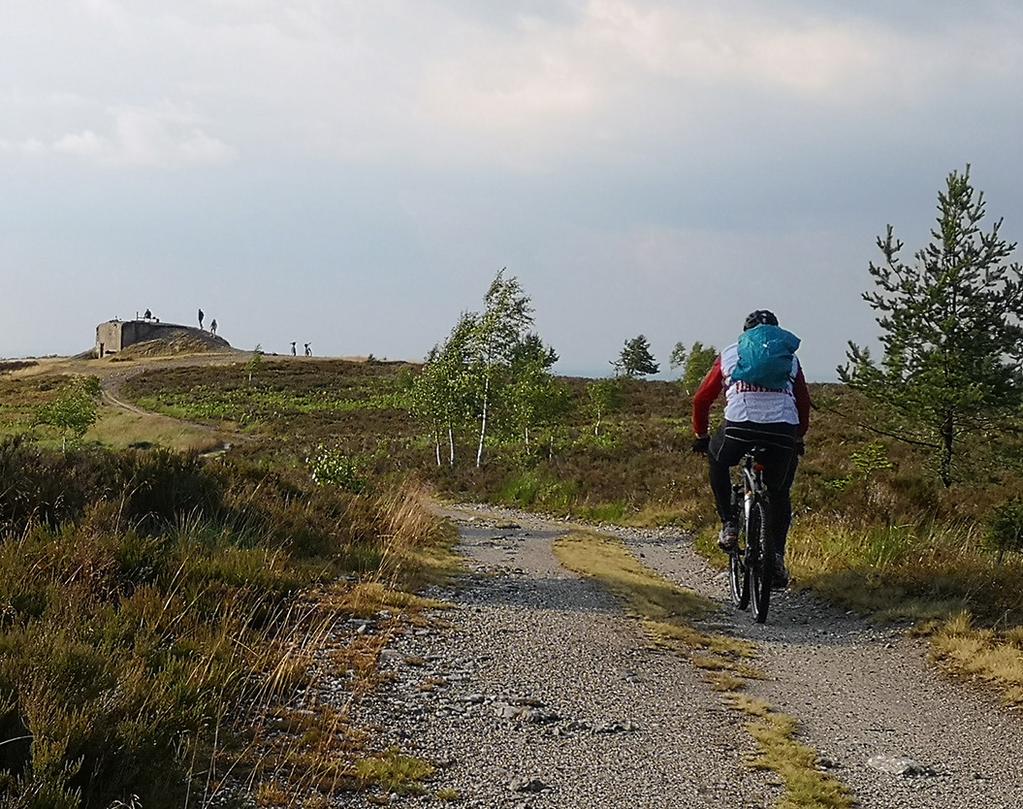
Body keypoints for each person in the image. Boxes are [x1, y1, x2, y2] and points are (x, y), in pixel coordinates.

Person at [691, 310, 810, 587]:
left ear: (746, 332)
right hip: (782, 430)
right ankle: (777, 558)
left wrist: (701, 435)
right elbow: (803, 402)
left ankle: (729, 525)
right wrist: (798, 437)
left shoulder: (731, 353)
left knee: (718, 460)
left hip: (739, 426)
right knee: (779, 493)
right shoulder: (790, 358)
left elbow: (701, 399)